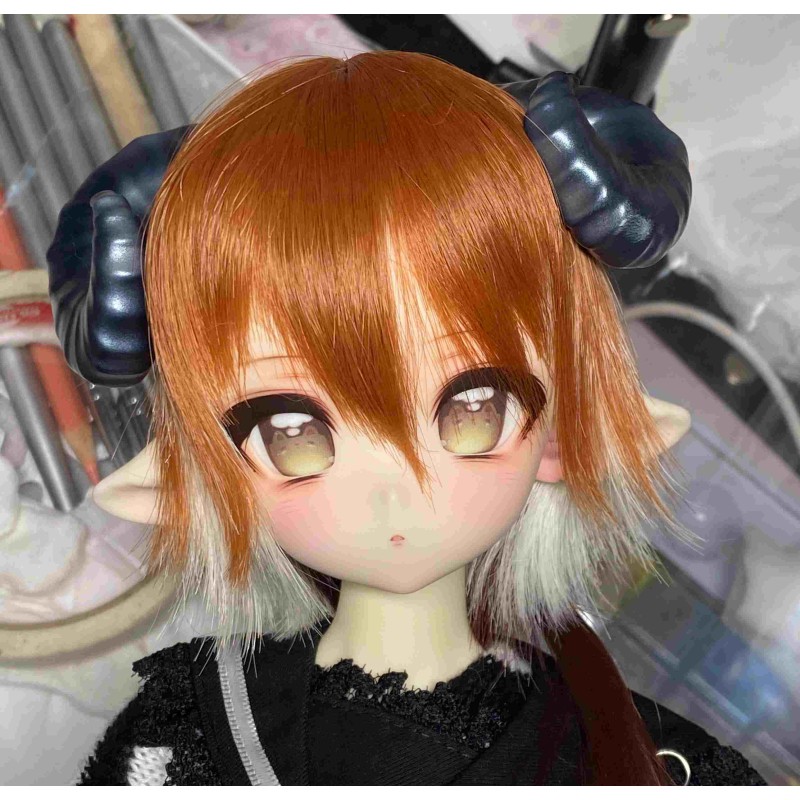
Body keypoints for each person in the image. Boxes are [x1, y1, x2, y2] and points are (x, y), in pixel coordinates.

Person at [48, 50, 765, 786]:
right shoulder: (185, 737)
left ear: (568, 433)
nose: (392, 490)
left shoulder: (661, 763)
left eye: (474, 410)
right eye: (292, 433)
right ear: (197, 472)